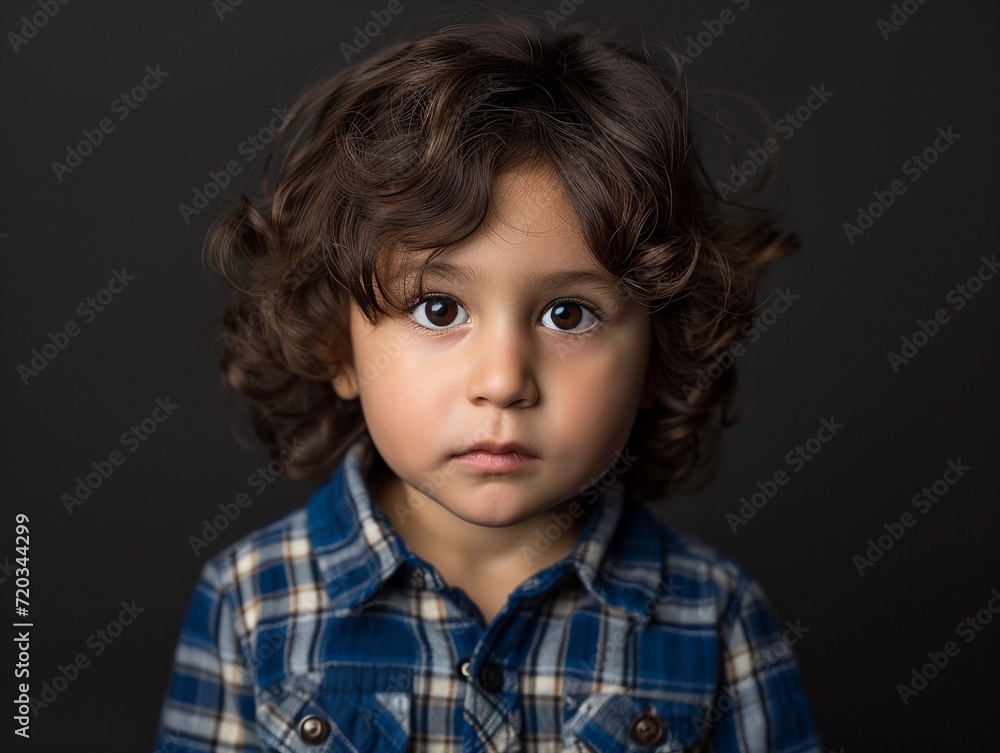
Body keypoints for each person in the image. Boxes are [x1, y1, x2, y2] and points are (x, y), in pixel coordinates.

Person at [155, 14, 821, 752]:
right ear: (335, 345)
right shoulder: (252, 604)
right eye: (439, 308)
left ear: (657, 353)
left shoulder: (713, 617)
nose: (504, 382)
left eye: (569, 314)